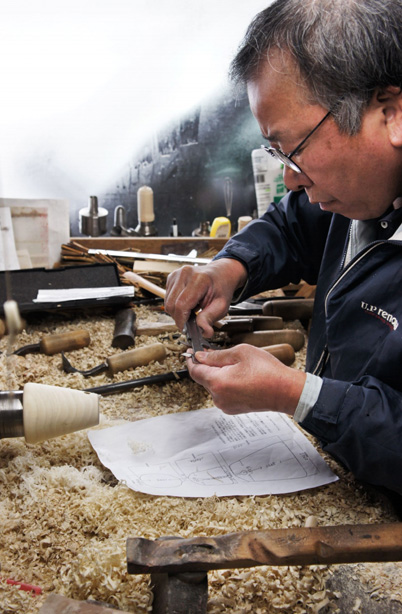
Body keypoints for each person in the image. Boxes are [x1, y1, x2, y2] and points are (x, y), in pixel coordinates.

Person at [164, 0, 402, 494]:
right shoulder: (362, 190)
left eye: (294, 148)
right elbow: (291, 225)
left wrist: (296, 394)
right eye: (277, 153)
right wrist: (228, 268)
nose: (290, 177)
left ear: (393, 113)